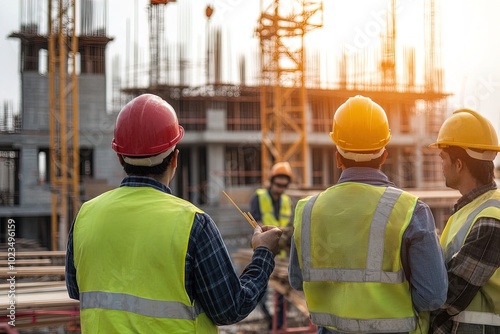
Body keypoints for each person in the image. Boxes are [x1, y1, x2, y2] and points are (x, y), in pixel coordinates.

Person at [65, 93, 283, 333]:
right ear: (175, 159)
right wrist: (263, 253)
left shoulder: (85, 216)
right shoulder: (193, 224)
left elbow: (77, 290)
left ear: (119, 157)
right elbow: (230, 308)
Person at [288, 95, 448, 334]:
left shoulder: (308, 210)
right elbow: (432, 297)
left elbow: (297, 280)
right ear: (384, 157)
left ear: (337, 157)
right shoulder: (411, 211)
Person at [429, 109, 500, 334]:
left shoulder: (490, 217)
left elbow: (452, 294)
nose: (442, 165)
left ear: (459, 164)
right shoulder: (470, 210)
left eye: (443, 158)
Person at [249, 161, 294, 330]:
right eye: (278, 184)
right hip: (263, 251)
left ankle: (279, 323)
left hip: (280, 254)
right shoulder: (259, 197)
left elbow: (289, 225)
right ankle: (269, 318)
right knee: (260, 290)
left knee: (282, 293)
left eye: (284, 185)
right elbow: (256, 223)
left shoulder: (286, 200)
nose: (281, 188)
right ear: (272, 181)